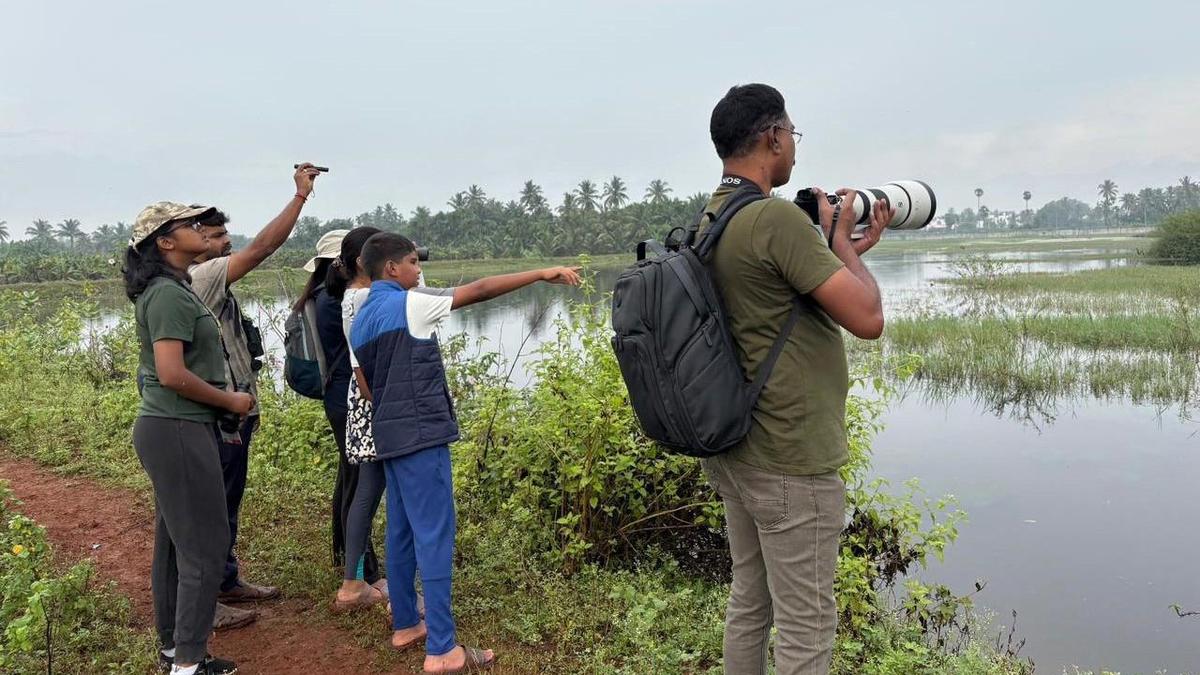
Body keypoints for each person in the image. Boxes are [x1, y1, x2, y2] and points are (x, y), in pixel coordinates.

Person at [699, 84, 892, 675]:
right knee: (807, 628)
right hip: (790, 459)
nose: (794, 151)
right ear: (773, 136)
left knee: (750, 602)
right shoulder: (777, 220)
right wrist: (847, 249)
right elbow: (867, 319)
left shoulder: (712, 215)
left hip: (738, 448)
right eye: (792, 137)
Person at [350, 233, 579, 674]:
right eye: (413, 262)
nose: (419, 270)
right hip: (421, 439)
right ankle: (442, 650)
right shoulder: (411, 303)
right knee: (435, 535)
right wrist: (541, 272)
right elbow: (479, 290)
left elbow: (365, 388)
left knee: (400, 531)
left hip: (389, 437)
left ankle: (405, 625)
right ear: (391, 269)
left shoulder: (361, 317)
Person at [187, 163, 322, 629]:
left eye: (224, 235)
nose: (224, 242)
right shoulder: (201, 277)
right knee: (212, 508)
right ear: (189, 240)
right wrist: (300, 197)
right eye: (213, 235)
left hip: (234, 413)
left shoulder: (204, 280)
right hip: (218, 415)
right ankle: (207, 600)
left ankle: (225, 580)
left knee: (227, 500)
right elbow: (264, 247)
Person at [124, 202, 252, 675]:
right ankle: (189, 663)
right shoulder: (168, 295)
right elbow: (172, 374)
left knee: (176, 544)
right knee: (204, 545)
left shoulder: (175, 289)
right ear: (165, 242)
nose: (203, 230)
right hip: (176, 426)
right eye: (191, 225)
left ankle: (175, 652)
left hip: (176, 426)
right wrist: (230, 402)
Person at [295, 229, 385, 588]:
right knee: (359, 485)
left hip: (337, 392)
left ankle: (345, 556)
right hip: (349, 394)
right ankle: (362, 571)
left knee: (349, 479)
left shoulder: (320, 297)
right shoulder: (343, 300)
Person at [326, 226, 393, 610]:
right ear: (362, 262)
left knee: (366, 492)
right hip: (376, 399)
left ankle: (354, 581)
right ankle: (360, 583)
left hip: (364, 397)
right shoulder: (368, 296)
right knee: (372, 493)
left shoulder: (352, 296)